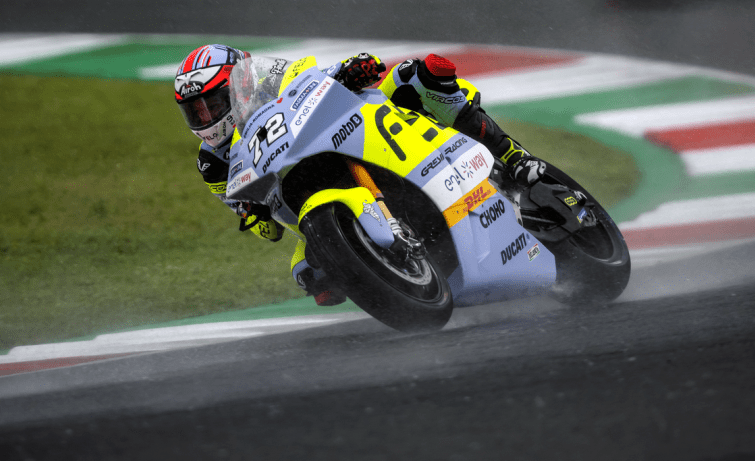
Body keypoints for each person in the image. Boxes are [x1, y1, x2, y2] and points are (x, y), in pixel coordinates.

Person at [174, 44, 547, 306]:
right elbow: (268, 231)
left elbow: (312, 79)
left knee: (414, 77)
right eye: (195, 112)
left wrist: (350, 69)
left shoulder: (270, 83)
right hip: (306, 200)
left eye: (212, 105)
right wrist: (252, 213)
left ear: (239, 86)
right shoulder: (213, 165)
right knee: (309, 274)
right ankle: (383, 269)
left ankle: (514, 157)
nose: (205, 118)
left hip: (348, 139)